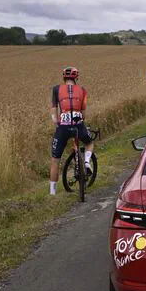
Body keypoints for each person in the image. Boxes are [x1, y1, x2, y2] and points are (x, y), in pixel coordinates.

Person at [49, 66, 94, 196]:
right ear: (76, 78)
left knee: (55, 160)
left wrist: (57, 122)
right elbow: (84, 114)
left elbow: (53, 111)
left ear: (64, 77)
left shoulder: (56, 89)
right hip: (78, 125)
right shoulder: (82, 90)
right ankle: (86, 162)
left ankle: (52, 193)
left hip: (62, 126)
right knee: (89, 143)